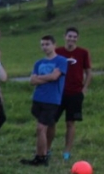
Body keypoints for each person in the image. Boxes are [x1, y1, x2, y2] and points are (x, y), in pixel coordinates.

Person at [21, 35, 69, 166]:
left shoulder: (61, 61)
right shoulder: (38, 63)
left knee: (40, 128)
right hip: (38, 98)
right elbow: (32, 80)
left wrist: (40, 78)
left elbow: (55, 77)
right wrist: (44, 78)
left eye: (47, 44)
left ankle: (42, 156)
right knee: (44, 128)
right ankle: (41, 154)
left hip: (52, 99)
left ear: (54, 45)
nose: (45, 47)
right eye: (42, 44)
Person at [49, 27, 92, 161]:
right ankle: (47, 149)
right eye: (69, 36)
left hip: (74, 94)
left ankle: (66, 152)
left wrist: (84, 90)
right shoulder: (57, 51)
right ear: (65, 36)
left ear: (77, 38)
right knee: (51, 121)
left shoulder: (83, 53)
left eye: (74, 37)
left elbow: (89, 72)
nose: (71, 39)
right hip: (57, 93)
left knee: (70, 123)